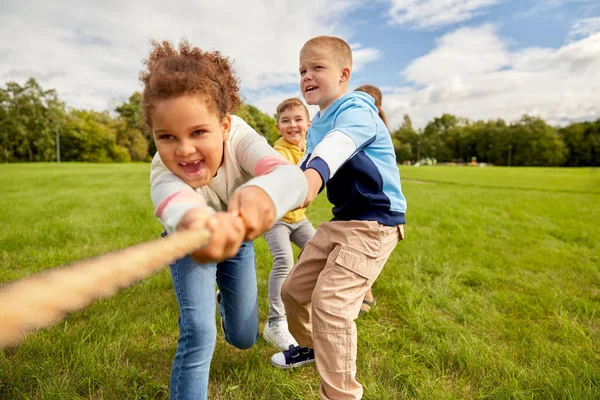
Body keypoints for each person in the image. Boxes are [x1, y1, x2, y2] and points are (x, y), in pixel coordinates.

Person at [142, 39, 307, 400]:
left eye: (199, 132)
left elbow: (290, 178)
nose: (184, 150)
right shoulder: (162, 172)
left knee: (244, 336)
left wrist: (264, 193)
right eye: (166, 137)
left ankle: (222, 301)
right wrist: (197, 222)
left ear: (225, 125)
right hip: (191, 243)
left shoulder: (241, 139)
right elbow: (180, 208)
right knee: (199, 332)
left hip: (239, 240)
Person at [271, 36, 407, 400]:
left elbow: (338, 147)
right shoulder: (317, 123)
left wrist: (312, 177)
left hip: (374, 224)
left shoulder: (357, 109)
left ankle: (341, 394)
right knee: (293, 291)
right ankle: (314, 347)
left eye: (317, 67)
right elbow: (302, 168)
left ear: (344, 74)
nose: (307, 76)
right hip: (342, 221)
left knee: (330, 307)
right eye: (302, 70)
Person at [263, 98, 316, 349]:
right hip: (276, 219)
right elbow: (292, 174)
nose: (292, 125)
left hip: (299, 219)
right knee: (284, 260)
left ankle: (311, 307)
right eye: (286, 121)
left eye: (298, 120)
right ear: (278, 127)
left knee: (319, 253)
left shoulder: (310, 145)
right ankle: (275, 322)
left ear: (308, 123)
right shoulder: (280, 151)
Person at [353, 84, 388, 314]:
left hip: (372, 198)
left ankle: (366, 291)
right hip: (354, 196)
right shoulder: (354, 123)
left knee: (365, 249)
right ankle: (362, 291)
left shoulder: (377, 129)